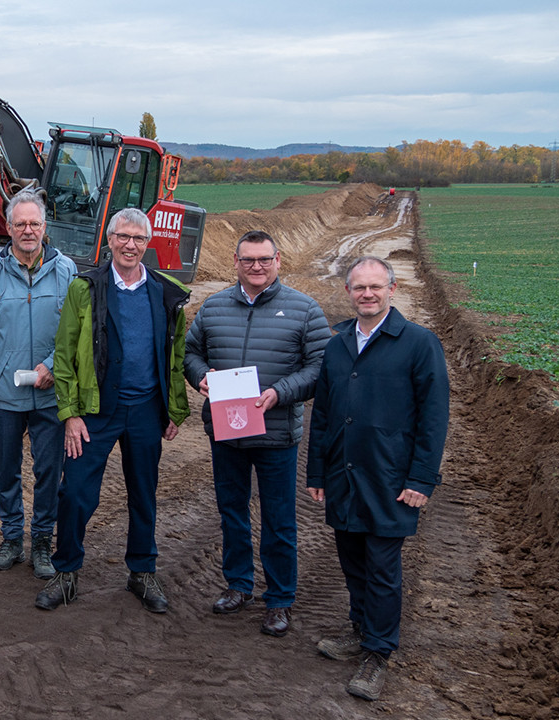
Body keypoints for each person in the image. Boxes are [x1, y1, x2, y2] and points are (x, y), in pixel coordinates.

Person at [306, 256, 449, 701]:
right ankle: (359, 629)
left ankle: (377, 653)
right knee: (351, 558)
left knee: (383, 569)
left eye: (375, 287)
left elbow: (434, 417)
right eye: (358, 288)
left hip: (390, 478)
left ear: (391, 289)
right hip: (344, 475)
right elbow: (324, 414)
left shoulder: (418, 343)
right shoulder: (338, 344)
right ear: (347, 292)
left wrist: (422, 478)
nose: (367, 294)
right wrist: (317, 471)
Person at [34, 208, 190, 614]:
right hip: (95, 411)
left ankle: (142, 571)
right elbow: (65, 356)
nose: (130, 246)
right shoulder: (86, 289)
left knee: (144, 493)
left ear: (147, 243)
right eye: (123, 237)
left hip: (145, 409)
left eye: (139, 239)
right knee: (76, 492)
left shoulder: (166, 292)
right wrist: (70, 414)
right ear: (110, 239)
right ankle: (66, 572)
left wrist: (173, 407)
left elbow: (174, 357)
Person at [183, 230, 330, 637]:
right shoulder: (213, 308)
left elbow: (321, 367)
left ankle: (279, 599)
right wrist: (201, 378)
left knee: (279, 520)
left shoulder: (304, 310)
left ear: (278, 260)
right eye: (248, 260)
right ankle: (239, 585)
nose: (256, 267)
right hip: (227, 433)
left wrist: (279, 393)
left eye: (264, 259)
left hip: (276, 434)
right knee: (232, 512)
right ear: (235, 261)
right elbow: (190, 353)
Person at [0, 190, 75, 579]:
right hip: (5, 397)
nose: (28, 230)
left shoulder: (66, 272)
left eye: (35, 223)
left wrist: (51, 366)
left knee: (48, 470)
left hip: (50, 393)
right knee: (6, 469)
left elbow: (74, 335)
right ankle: (11, 537)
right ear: (8, 228)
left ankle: (42, 540)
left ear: (45, 228)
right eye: (20, 224)